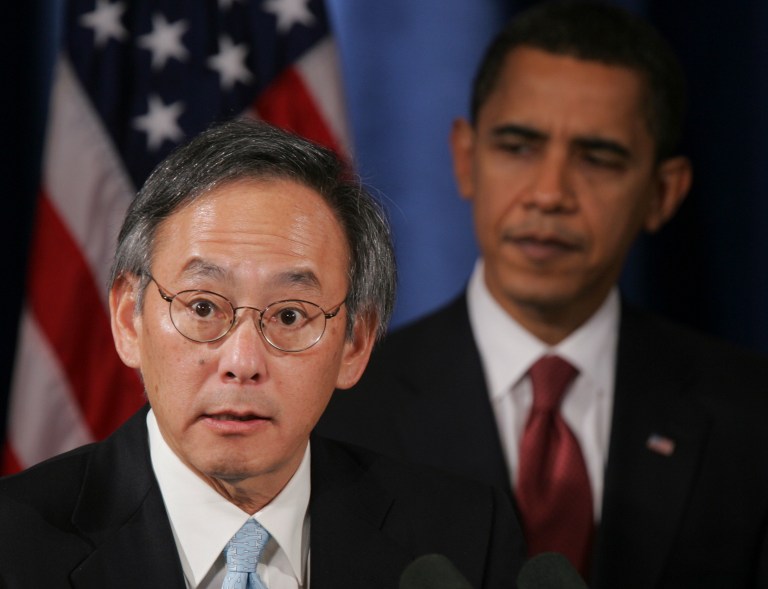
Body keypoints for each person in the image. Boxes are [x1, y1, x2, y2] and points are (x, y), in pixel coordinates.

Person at [317, 2, 768, 588]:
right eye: (518, 147)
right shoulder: (339, 408)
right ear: (465, 158)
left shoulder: (751, 418)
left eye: (598, 159)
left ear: (663, 192)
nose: (550, 193)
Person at [0, 119, 524, 588]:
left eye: (290, 316)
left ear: (356, 343)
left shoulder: (460, 540)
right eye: (203, 307)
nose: (242, 362)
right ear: (127, 319)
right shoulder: (14, 546)